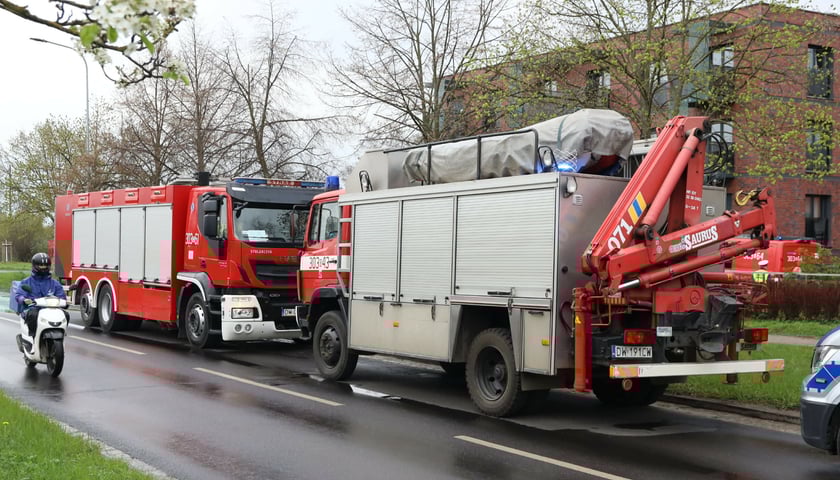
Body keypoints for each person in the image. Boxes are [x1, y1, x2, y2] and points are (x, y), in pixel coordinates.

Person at [15, 253, 66, 345]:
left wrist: (64, 302)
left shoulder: (55, 283)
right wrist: (23, 299)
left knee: (65, 315)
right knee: (33, 315)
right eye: (41, 265)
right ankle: (33, 338)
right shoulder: (26, 282)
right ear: (34, 265)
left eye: (46, 265)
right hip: (32, 308)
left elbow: (61, 296)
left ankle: (62, 334)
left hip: (51, 310)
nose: (43, 267)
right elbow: (19, 295)